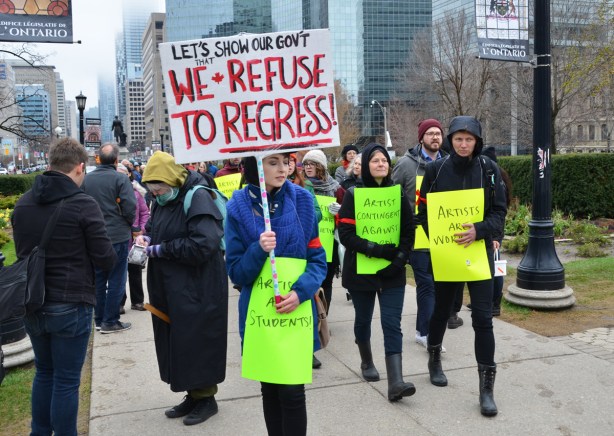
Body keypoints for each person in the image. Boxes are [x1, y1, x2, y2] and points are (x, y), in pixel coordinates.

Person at [12, 138, 117, 435]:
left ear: (49, 165)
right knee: (67, 380)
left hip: (33, 301)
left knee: (44, 372)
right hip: (71, 303)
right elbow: (106, 258)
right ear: (81, 168)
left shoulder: (23, 203)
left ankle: (40, 432)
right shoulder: (83, 204)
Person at [225, 153, 327, 436]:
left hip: (296, 314)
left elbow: (318, 260)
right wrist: (258, 249)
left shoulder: (303, 201)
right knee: (269, 389)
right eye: (273, 162)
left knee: (293, 392)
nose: (283, 168)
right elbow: (236, 272)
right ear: (253, 167)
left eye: (285, 161)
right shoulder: (236, 207)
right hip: (260, 317)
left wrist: (301, 291)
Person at [417, 116, 507, 417]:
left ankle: (486, 388)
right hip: (446, 255)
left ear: (477, 140)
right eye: (458, 139)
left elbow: (499, 213)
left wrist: (479, 231)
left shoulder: (489, 169)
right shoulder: (435, 169)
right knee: (442, 311)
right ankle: (434, 358)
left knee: (483, 318)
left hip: (479, 254)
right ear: (450, 140)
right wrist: (440, 242)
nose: (464, 144)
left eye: (469, 139)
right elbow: (424, 211)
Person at [136, 151, 228, 427]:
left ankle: (206, 398)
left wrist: (162, 249)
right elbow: (155, 224)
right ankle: (192, 393)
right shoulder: (163, 199)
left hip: (198, 285)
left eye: (160, 188)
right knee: (179, 340)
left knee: (198, 339)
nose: (157, 193)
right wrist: (146, 236)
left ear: (172, 179)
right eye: (153, 189)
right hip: (172, 285)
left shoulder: (197, 196)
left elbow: (203, 244)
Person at [338, 143, 416, 402]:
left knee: (391, 323)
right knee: (363, 319)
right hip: (361, 271)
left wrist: (399, 260)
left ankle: (396, 381)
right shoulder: (352, 195)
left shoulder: (399, 195)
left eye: (384, 160)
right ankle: (366, 361)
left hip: (392, 272)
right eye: (375, 161)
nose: (381, 164)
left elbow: (408, 232)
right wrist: (377, 250)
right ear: (366, 167)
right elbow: (346, 235)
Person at [391, 118, 454, 349]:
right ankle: (427, 334)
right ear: (421, 138)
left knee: (438, 286)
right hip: (417, 237)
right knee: (426, 284)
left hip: (444, 236)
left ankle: (422, 329)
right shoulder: (405, 165)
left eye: (438, 133)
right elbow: (392, 197)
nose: (435, 137)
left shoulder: (450, 163)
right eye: (430, 134)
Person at [83, 143, 136, 333]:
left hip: (93, 237)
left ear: (98, 158)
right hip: (117, 236)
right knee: (116, 279)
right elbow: (130, 207)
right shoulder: (120, 179)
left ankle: (99, 320)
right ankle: (110, 320)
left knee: (98, 279)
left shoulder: (87, 180)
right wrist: (128, 224)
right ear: (115, 160)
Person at [302, 149, 345, 369]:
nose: (308, 167)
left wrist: (338, 211)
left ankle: (322, 319)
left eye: (312, 164)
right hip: (309, 244)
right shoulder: (301, 187)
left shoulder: (335, 188)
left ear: (321, 167)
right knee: (312, 284)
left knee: (326, 282)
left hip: (328, 243)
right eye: (305, 164)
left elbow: (346, 214)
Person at [116, 163, 150, 312]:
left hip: (135, 238)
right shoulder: (112, 192)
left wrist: (141, 230)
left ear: (129, 175)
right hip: (119, 237)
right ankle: (119, 303)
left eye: (123, 173)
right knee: (119, 273)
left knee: (135, 271)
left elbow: (144, 213)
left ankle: (137, 301)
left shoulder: (136, 193)